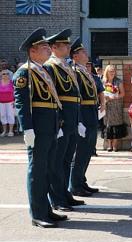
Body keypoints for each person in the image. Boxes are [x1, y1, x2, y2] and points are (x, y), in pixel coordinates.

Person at [14, 28, 67, 228]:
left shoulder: (43, 70)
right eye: (44, 47)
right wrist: (27, 129)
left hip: (50, 127)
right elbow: (22, 103)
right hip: (37, 129)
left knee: (47, 169)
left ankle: (46, 210)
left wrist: (59, 123)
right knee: (37, 170)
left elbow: (54, 100)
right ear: (32, 51)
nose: (48, 50)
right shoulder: (24, 72)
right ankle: (37, 213)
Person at [43, 29, 87, 211]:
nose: (69, 47)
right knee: (57, 162)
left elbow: (75, 96)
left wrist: (78, 120)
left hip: (72, 119)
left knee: (67, 159)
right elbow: (53, 96)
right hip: (62, 121)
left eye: (69, 45)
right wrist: (59, 120)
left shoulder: (66, 66)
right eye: (66, 45)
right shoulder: (51, 67)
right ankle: (57, 198)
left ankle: (64, 193)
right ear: (54, 47)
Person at [69, 37, 103, 196]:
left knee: (87, 150)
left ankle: (81, 181)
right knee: (80, 151)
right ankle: (74, 185)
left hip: (91, 112)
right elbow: (76, 98)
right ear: (75, 56)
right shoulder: (75, 72)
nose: (86, 53)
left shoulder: (84, 71)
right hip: (83, 113)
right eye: (82, 51)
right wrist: (79, 121)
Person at [102, 64, 127, 152]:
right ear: (107, 72)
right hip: (107, 106)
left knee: (116, 125)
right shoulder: (103, 81)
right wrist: (104, 98)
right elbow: (100, 93)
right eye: (110, 71)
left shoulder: (118, 81)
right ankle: (109, 145)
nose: (112, 73)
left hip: (116, 106)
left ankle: (115, 145)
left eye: (113, 71)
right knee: (108, 124)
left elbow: (123, 93)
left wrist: (115, 97)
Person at [0, 69, 15, 137]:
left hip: (10, 102)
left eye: (7, 74)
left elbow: (15, 92)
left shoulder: (12, 82)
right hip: (1, 102)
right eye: (4, 74)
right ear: (1, 75)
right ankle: (4, 131)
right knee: (3, 116)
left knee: (10, 116)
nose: (5, 75)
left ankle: (11, 131)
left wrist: (15, 101)